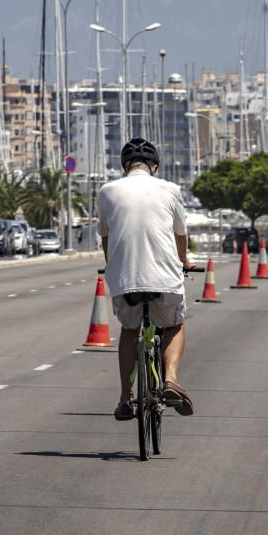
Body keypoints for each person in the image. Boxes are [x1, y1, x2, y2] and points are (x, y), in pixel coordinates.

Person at [99, 138, 196, 420]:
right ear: (154, 166)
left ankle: (124, 398)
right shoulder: (170, 189)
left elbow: (105, 236)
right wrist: (184, 262)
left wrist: (113, 266)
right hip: (164, 277)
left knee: (130, 331)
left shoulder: (107, 191)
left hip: (124, 278)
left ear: (125, 166)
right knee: (174, 326)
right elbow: (180, 234)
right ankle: (171, 380)